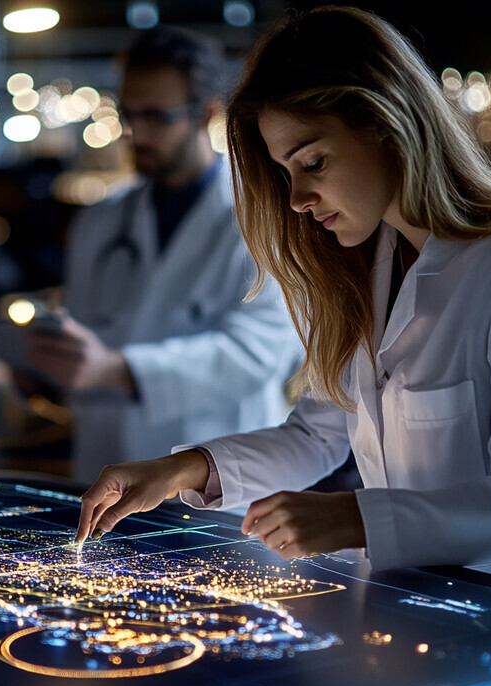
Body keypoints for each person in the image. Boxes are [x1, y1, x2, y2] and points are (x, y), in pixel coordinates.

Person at [75, 6, 491, 572]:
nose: (296, 199)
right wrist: (180, 470)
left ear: (387, 125)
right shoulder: (363, 272)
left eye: (313, 162)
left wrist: (357, 518)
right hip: (407, 606)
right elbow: (317, 435)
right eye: (287, 172)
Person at [21, 27, 302, 486]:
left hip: (214, 484)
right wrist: (48, 371)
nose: (137, 134)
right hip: (102, 474)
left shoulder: (260, 218)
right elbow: (88, 335)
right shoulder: (101, 221)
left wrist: (118, 371)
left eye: (156, 116)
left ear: (204, 113)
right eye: (130, 115)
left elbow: (259, 353)